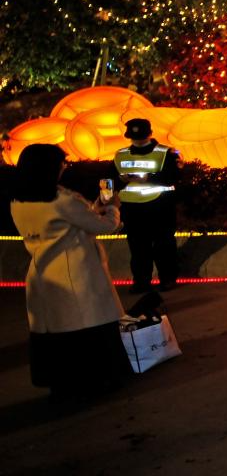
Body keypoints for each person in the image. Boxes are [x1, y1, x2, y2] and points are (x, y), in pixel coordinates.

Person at [11, 143, 129, 401]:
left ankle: (62, 383)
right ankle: (96, 380)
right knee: (88, 328)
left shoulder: (18, 200)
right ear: (50, 167)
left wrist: (94, 206)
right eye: (61, 163)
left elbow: (77, 220)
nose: (64, 167)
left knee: (54, 333)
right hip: (75, 272)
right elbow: (106, 226)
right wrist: (112, 206)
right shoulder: (61, 200)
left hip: (42, 271)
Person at [115, 117, 180, 293]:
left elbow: (173, 177)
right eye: (134, 137)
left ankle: (167, 279)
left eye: (141, 136)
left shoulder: (166, 152)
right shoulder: (121, 154)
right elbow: (111, 179)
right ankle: (141, 281)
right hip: (132, 208)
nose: (137, 140)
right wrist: (119, 182)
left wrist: (148, 178)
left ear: (150, 134)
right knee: (138, 247)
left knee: (163, 245)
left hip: (160, 205)